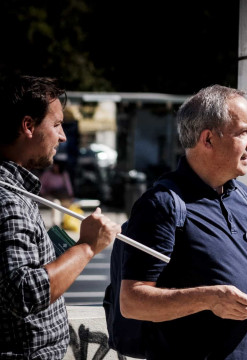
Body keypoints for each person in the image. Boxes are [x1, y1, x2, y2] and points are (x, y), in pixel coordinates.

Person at [119, 84, 247, 359]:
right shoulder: (162, 204)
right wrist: (209, 299)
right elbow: (132, 302)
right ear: (208, 139)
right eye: (244, 132)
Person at [0, 75, 121, 359]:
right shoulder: (7, 201)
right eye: (55, 125)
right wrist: (88, 247)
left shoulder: (16, 190)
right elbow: (24, 294)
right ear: (28, 126)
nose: (63, 136)